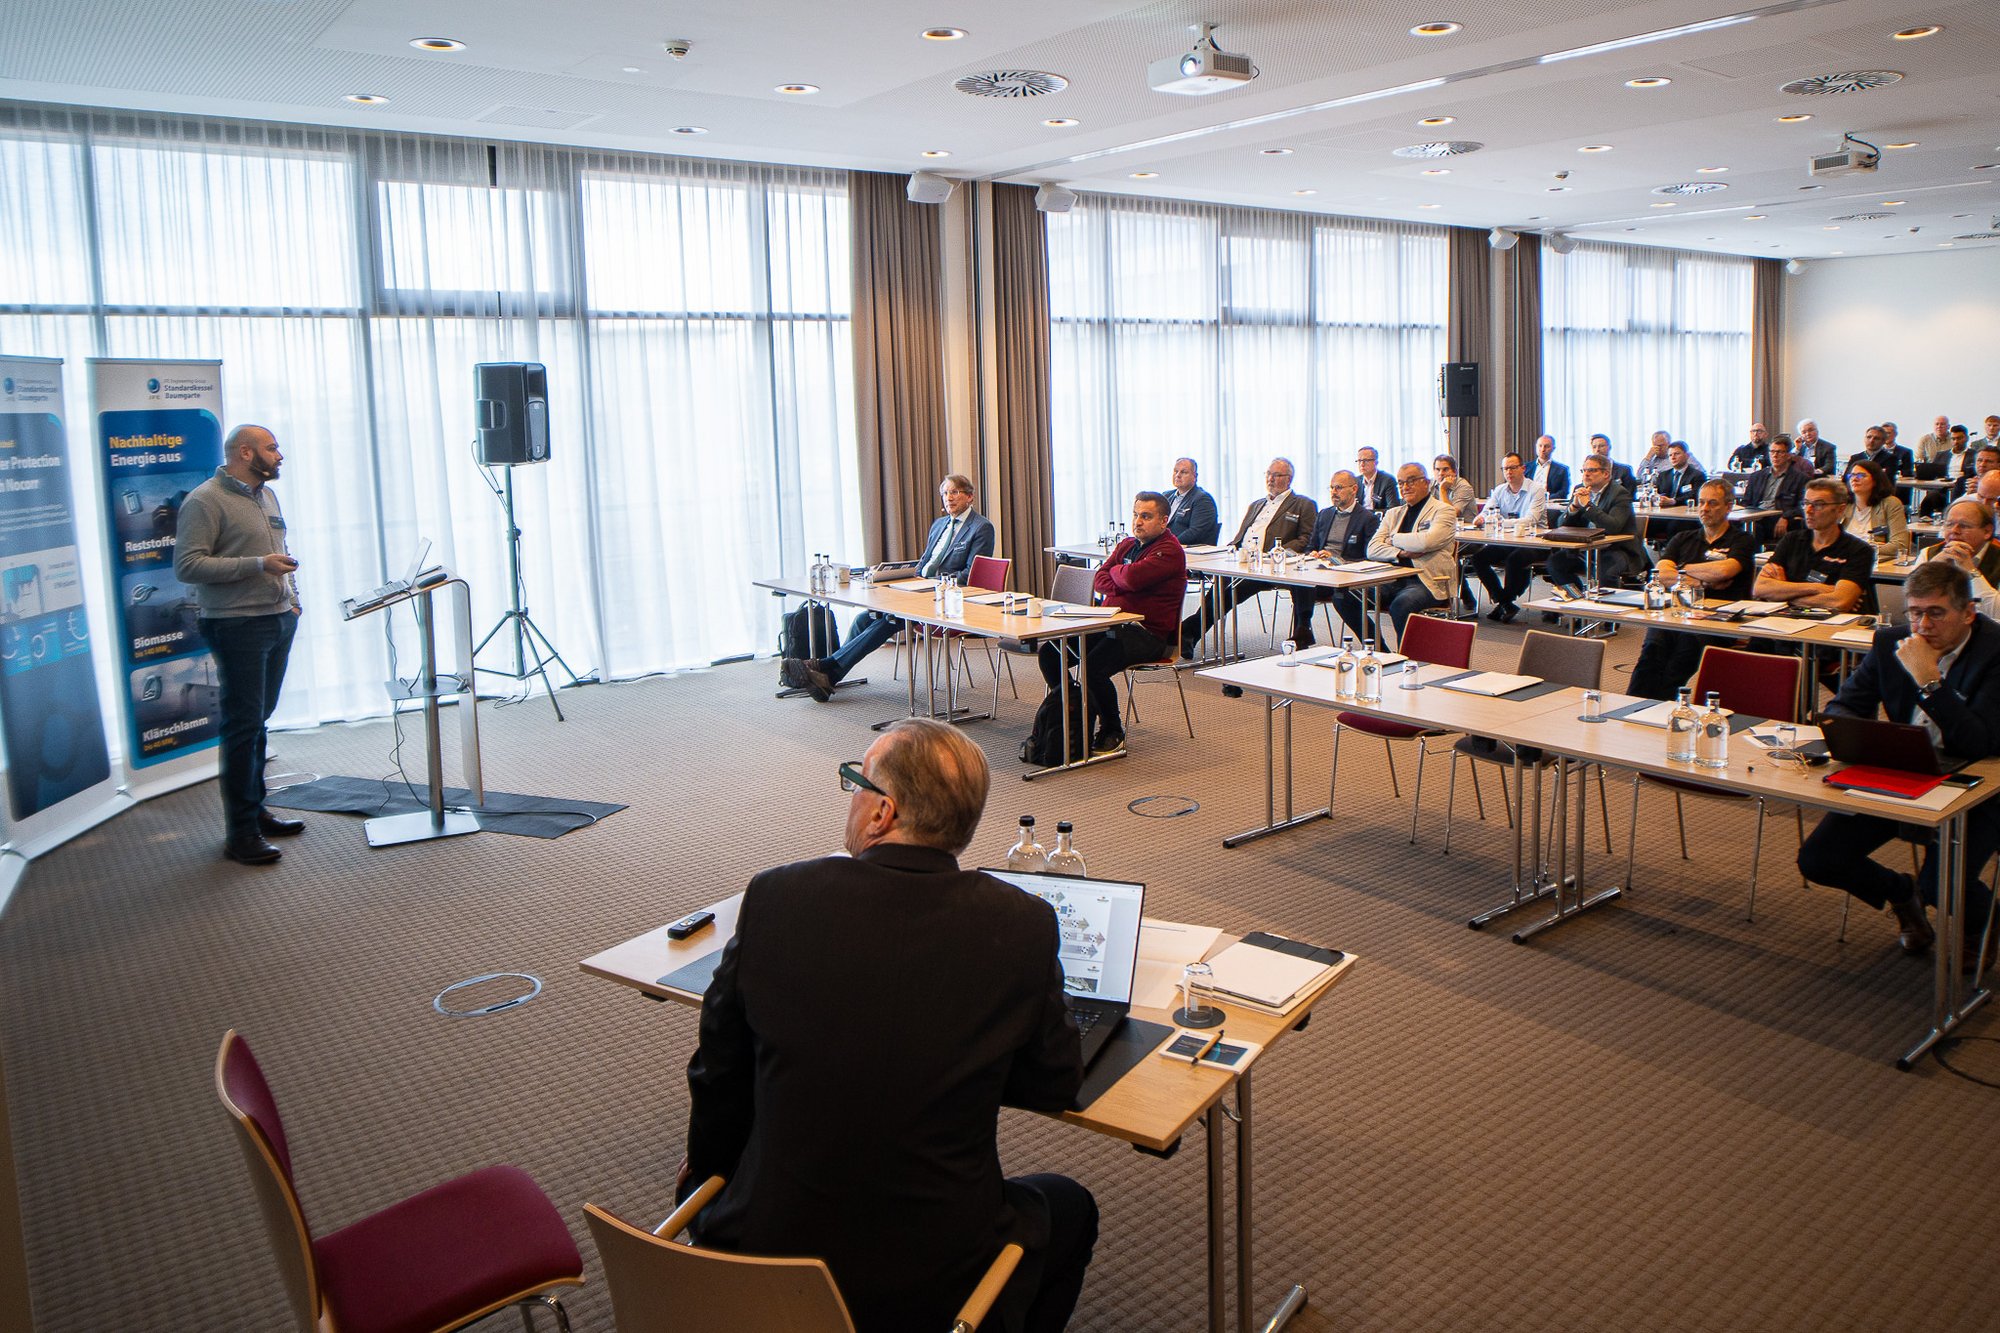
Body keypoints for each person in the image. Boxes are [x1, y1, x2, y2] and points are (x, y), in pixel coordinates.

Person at [681, 718, 1096, 1333]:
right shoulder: (1022, 924)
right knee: (1070, 1207)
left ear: (883, 812)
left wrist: (711, 1176)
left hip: (761, 1260)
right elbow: (1056, 1083)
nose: (851, 796)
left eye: (856, 783)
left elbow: (718, 1071)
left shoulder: (776, 897)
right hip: (931, 1288)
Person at [1796, 561, 2000, 971]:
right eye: (1915, 612)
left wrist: (1928, 680)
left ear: (1968, 612)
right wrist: (1854, 737)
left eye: (1936, 613)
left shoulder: (1995, 652)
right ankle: (1901, 893)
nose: (1923, 625)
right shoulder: (1891, 641)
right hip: (1906, 768)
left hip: (1980, 782)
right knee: (1819, 859)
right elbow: (1844, 705)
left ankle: (1982, 923)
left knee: (1940, 884)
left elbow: (1980, 742)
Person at [173, 424, 305, 866]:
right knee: (243, 727)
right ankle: (241, 834)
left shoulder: (267, 495)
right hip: (236, 624)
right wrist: (258, 565)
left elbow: (282, 550)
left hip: (278, 619)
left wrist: (294, 602)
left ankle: (257, 810)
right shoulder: (204, 500)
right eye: (272, 448)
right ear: (245, 453)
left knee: (258, 721)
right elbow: (188, 566)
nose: (279, 455)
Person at [783, 475, 994, 701]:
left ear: (969, 497)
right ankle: (829, 678)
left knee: (890, 620)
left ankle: (826, 667)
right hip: (918, 590)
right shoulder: (939, 524)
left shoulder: (981, 527)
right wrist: (901, 575)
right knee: (864, 619)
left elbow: (971, 574)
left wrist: (932, 584)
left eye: (955, 492)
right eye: (945, 493)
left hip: (950, 599)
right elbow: (924, 562)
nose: (948, 498)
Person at [1041, 491, 1186, 754]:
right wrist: (1122, 576)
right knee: (1051, 653)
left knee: (1093, 667)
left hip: (1146, 633)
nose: (1138, 522)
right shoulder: (1127, 545)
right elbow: (1099, 579)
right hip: (1108, 622)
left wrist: (1118, 574)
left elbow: (1130, 579)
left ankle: (1112, 729)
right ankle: (1073, 706)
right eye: (1135, 515)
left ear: (1164, 521)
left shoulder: (1169, 551)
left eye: (1146, 516)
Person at [1627, 480, 1755, 698]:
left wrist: (1681, 570)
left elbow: (1724, 571)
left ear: (1729, 506)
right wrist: (1704, 581)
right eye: (1701, 502)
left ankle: (1661, 706)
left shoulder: (1743, 540)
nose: (1704, 509)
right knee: (1652, 651)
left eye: (1712, 503)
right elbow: (1661, 574)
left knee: (1681, 657)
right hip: (1677, 613)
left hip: (1717, 618)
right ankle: (1633, 706)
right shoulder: (1683, 538)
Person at [1179, 458, 1316, 657]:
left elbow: (1306, 538)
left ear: (1289, 479)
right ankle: (1190, 632)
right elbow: (1239, 538)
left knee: (1232, 590)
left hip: (1271, 565)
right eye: (1268, 474)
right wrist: (1228, 551)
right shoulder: (1256, 505)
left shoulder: (1303, 504)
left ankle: (1189, 631)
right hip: (1243, 560)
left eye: (1276, 475)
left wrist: (1275, 553)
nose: (1270, 479)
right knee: (1220, 582)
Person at [1752, 475, 1876, 615]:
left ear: (1840, 509)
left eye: (1818, 504)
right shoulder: (1791, 540)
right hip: (1786, 620)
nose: (1808, 510)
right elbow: (1760, 588)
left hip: (1830, 624)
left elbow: (1839, 602)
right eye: (1806, 503)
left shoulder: (1858, 550)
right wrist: (1817, 588)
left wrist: (1783, 594)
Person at [1365, 463, 1456, 644]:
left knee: (1401, 605)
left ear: (1426, 483)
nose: (1405, 487)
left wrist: (1392, 538)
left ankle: (1407, 656)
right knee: (1346, 596)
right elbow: (1372, 549)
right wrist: (1401, 553)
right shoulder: (1394, 513)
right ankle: (1379, 649)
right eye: (1401, 483)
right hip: (1392, 578)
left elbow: (1426, 542)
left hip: (1427, 581)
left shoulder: (1443, 510)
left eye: (1411, 481)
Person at [1291, 470, 1381, 647]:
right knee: (1299, 580)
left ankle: (1376, 645)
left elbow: (1369, 557)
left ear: (1354, 489)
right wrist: (1313, 554)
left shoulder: (1367, 519)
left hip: (1346, 577)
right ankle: (1303, 629)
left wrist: (1336, 560)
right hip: (1321, 573)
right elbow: (1311, 546)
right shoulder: (1325, 514)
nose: (1333, 492)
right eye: (1331, 488)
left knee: (1341, 597)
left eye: (1339, 487)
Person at [1543, 453, 1642, 597]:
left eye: (1592, 470)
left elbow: (1613, 527)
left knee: (1605, 571)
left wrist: (1588, 506)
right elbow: (1562, 525)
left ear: (1606, 474)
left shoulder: (1620, 493)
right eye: (1584, 470)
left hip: (1616, 549)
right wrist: (1574, 507)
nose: (1586, 474)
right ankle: (1577, 598)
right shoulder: (1579, 489)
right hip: (1585, 548)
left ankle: (1607, 610)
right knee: (1555, 563)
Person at [1467, 451, 1547, 623]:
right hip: (1508, 540)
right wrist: (1481, 518)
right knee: (1478, 558)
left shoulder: (1536, 490)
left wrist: (1501, 522)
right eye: (1505, 469)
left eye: (1513, 468)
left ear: (1523, 469)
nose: (1509, 472)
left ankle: (1504, 602)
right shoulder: (1499, 490)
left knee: (1514, 560)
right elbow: (1488, 511)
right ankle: (1505, 603)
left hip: (1535, 542)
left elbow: (1531, 520)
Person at [1914, 499, 2000, 618]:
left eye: (1964, 526)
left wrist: (1971, 572)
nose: (1954, 531)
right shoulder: (1929, 554)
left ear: (1987, 531)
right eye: (1949, 524)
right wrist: (1932, 569)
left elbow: (1996, 612)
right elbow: (1912, 605)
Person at [1741, 432, 1810, 543]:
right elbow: (1746, 501)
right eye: (1772, 451)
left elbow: (1803, 506)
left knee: (1756, 529)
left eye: (1780, 452)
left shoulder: (1800, 479)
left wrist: (1786, 517)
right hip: (1756, 516)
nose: (1775, 455)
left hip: (1779, 516)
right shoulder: (1756, 476)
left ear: (1789, 455)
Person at [1843, 458, 1910, 558]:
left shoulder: (1890, 504)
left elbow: (1900, 545)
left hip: (1873, 561)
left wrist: (1859, 550)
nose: (1854, 479)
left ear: (1875, 480)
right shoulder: (1843, 504)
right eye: (1851, 475)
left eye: (1861, 475)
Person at [1164, 457, 1220, 546]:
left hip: (1187, 549)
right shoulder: (1166, 496)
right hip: (1164, 547)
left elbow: (1195, 532)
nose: (1178, 475)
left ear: (1195, 476)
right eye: (1176, 471)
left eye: (1184, 472)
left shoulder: (1202, 499)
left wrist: (1168, 544)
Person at [1847, 424, 1912, 487]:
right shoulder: (1855, 458)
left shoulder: (1891, 459)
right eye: (1869, 437)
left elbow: (1886, 482)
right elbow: (1846, 478)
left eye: (1876, 438)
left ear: (1883, 441)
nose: (1871, 441)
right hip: (1854, 491)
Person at [1653, 441, 1707, 508]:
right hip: (1663, 510)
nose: (1673, 457)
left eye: (1676, 454)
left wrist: (1674, 501)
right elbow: (1657, 493)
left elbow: (1695, 496)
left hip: (1685, 511)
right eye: (1670, 455)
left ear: (1687, 456)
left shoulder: (1698, 475)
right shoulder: (1663, 475)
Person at [1432, 453, 1477, 522]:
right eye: (1437, 469)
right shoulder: (1430, 484)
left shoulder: (1464, 487)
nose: (1440, 473)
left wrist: (1442, 490)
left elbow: (1450, 515)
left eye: (1445, 469)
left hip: (1464, 527)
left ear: (1455, 472)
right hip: (1440, 525)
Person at [1355, 447, 1396, 512]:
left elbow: (1393, 509)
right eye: (1359, 460)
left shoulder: (1387, 480)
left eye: (1366, 460)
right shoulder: (1355, 481)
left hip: (1379, 517)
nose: (1362, 464)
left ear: (1376, 462)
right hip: (1359, 517)